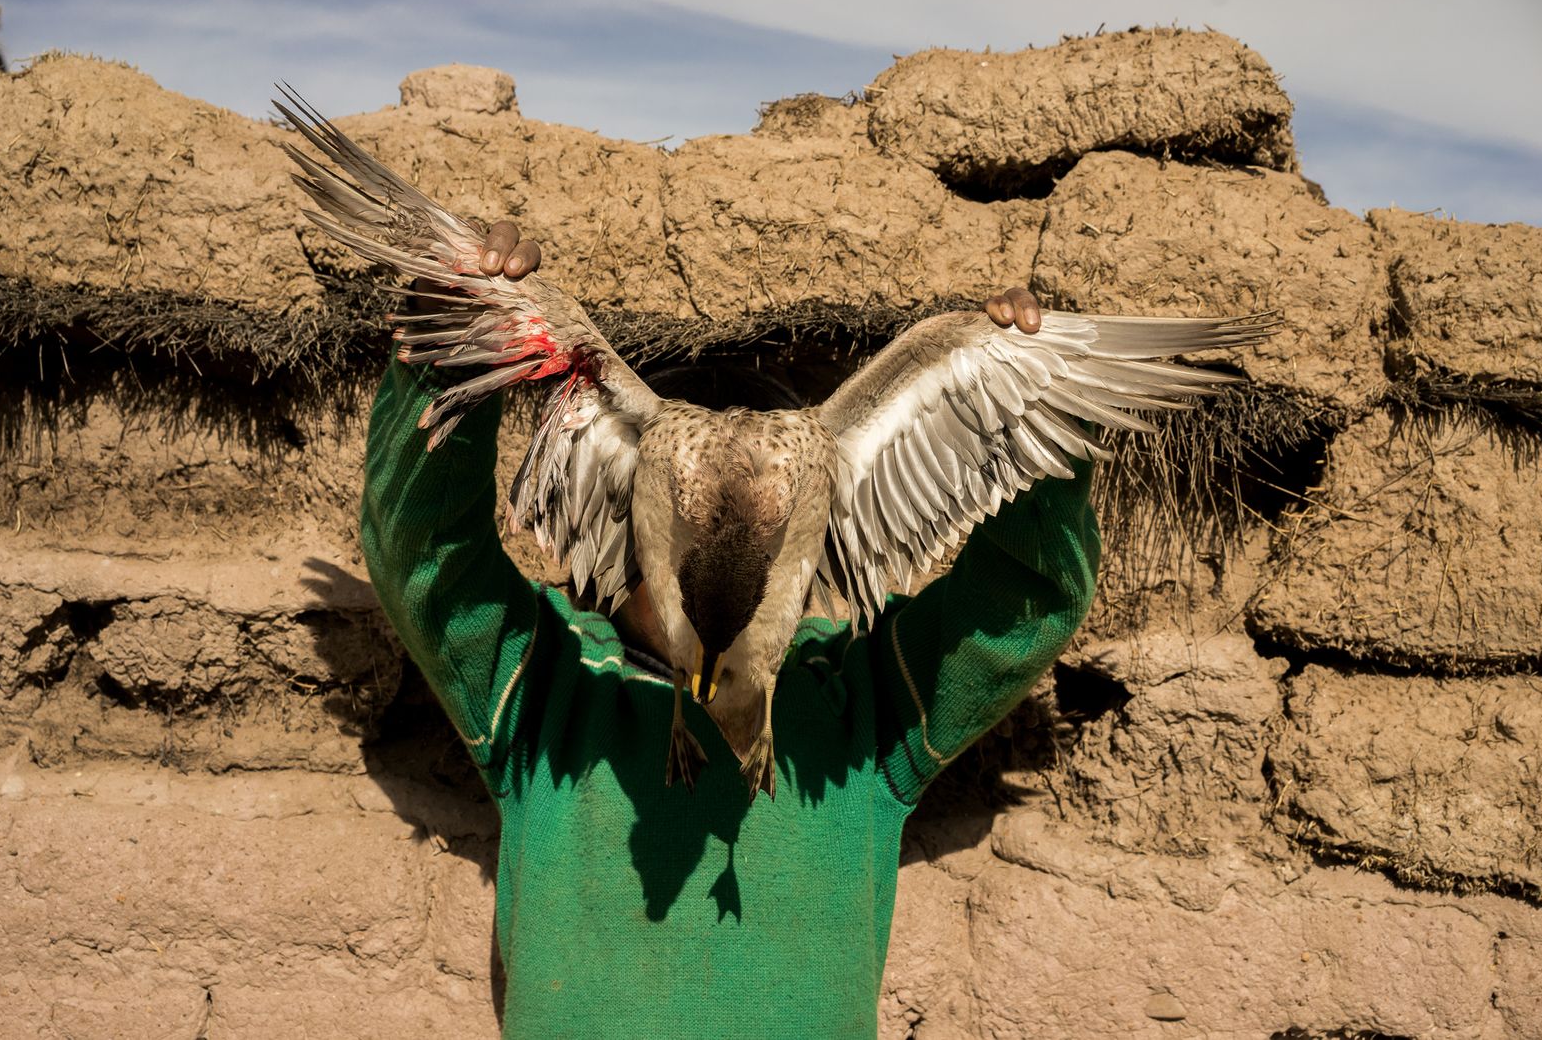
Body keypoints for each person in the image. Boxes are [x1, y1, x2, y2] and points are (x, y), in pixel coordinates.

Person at [360, 223, 1099, 1038]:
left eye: (755, 532)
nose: (718, 555)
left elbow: (1024, 602)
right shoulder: (545, 692)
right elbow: (422, 552)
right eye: (691, 522)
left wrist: (1027, 400)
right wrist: (452, 344)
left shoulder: (863, 710)